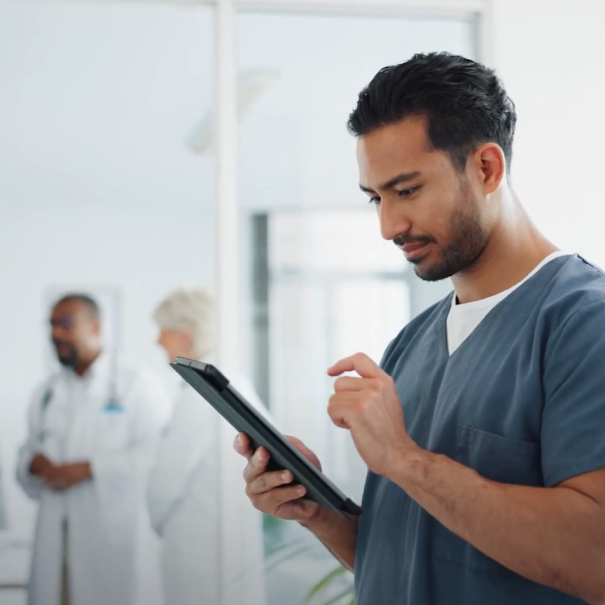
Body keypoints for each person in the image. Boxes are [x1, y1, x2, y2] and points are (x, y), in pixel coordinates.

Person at [235, 52, 605, 605]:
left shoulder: (584, 324)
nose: (389, 225)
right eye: (375, 199)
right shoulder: (410, 344)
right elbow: (411, 557)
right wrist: (321, 515)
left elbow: (595, 557)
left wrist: (404, 459)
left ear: (486, 168)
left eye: (406, 191)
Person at [16, 294, 171, 605]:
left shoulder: (137, 383)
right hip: (55, 540)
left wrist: (89, 469)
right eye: (51, 325)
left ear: (96, 327)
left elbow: (156, 455)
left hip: (113, 540)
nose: (55, 333)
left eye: (65, 324)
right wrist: (33, 464)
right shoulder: (46, 392)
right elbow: (25, 453)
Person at [147, 288, 267, 605]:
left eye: (162, 331)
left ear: (185, 337)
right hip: (226, 541)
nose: (157, 341)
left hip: (198, 544)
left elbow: (167, 481)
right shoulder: (232, 380)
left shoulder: (202, 391)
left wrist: (154, 519)